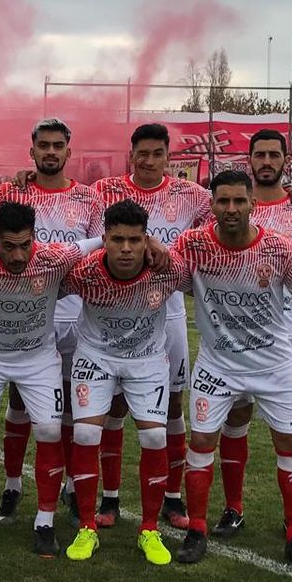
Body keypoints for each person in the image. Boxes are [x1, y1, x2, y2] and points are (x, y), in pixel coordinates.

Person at [172, 170, 292, 573]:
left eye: (240, 201)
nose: (231, 209)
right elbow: (173, 278)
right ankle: (198, 529)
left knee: (290, 443)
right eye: (223, 201)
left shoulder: (277, 249)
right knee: (202, 439)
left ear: (253, 203)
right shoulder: (193, 245)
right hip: (218, 364)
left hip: (274, 364)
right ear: (213, 205)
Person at [0, 202, 103, 558]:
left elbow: (100, 242)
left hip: (38, 361)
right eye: (9, 246)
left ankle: (45, 522)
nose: (18, 255)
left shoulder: (53, 257)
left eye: (25, 244)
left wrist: (152, 244)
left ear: (35, 238)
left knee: (50, 431)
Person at [89, 123, 210, 530]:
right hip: (111, 313)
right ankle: (109, 497)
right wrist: (25, 178)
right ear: (132, 154)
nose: (149, 160)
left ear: (168, 156)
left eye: (158, 153)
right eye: (143, 153)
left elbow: (239, 210)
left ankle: (172, 498)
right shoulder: (104, 190)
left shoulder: (191, 195)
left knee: (171, 407)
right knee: (113, 406)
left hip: (167, 314)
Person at [0, 118, 103, 524]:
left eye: (58, 146)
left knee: (70, 404)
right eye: (43, 146)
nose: (51, 152)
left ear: (69, 152)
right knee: (19, 401)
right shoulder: (9, 193)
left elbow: (98, 254)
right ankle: (13, 485)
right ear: (31, 151)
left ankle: (71, 486)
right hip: (22, 313)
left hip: (73, 313)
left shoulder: (89, 200)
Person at [213, 128, 292, 540]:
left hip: (284, 338)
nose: (266, 161)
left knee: (289, 433)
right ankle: (233, 508)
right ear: (249, 159)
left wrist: (262, 248)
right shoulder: (234, 202)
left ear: (285, 160)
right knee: (235, 420)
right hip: (234, 335)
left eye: (273, 155)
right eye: (259, 154)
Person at [63, 200, 181, 567]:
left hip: (146, 359)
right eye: (117, 239)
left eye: (134, 239)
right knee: (84, 434)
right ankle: (87, 527)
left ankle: (149, 529)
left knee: (155, 437)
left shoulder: (167, 270)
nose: (126, 248)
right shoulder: (83, 272)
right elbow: (42, 274)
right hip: (95, 356)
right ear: (104, 240)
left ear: (147, 240)